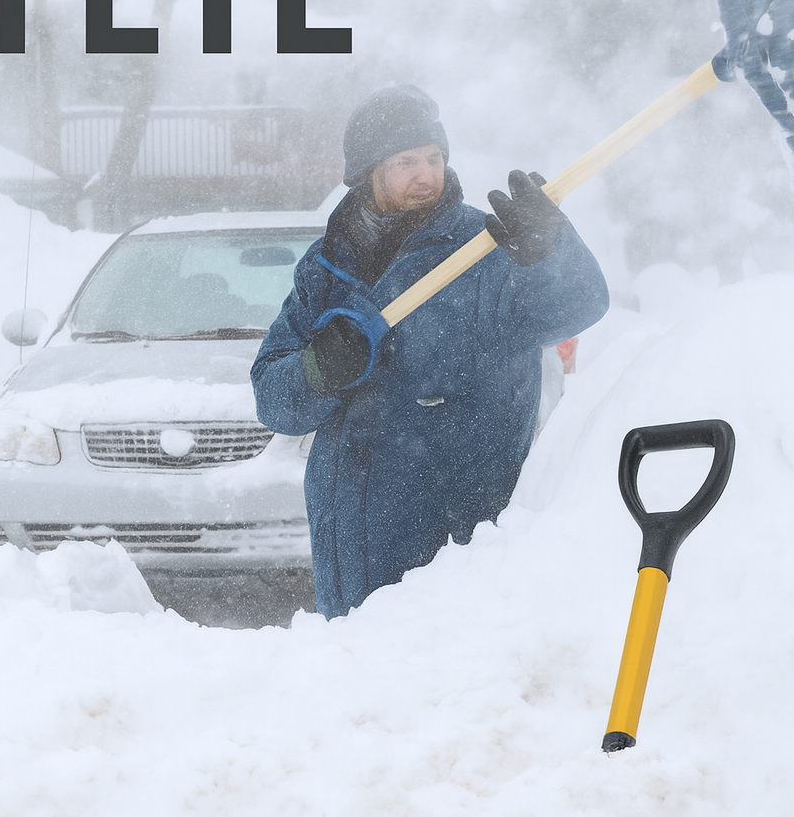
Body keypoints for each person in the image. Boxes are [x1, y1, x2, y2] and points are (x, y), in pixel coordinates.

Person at [251, 85, 609, 617]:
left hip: (451, 543)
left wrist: (548, 248)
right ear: (368, 173)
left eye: (433, 158)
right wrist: (317, 370)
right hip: (346, 540)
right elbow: (273, 401)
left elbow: (577, 303)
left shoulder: (484, 248)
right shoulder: (326, 265)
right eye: (406, 161)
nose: (426, 174)